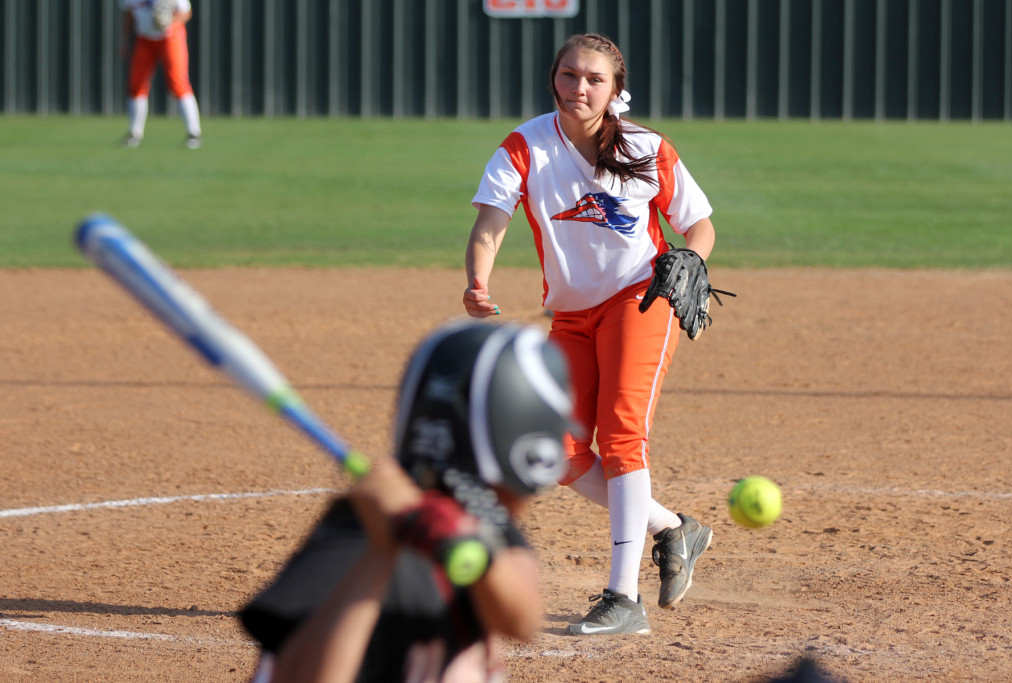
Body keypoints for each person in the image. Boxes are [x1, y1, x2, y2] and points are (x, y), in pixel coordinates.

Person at [463, 33, 718, 636]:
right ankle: (672, 528)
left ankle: (622, 599)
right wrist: (477, 280)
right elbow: (490, 224)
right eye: (570, 75)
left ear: (616, 89)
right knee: (557, 447)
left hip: (641, 298)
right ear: (554, 78)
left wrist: (693, 261)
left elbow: (699, 224)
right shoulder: (524, 146)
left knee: (623, 435)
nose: (580, 88)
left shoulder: (646, 147)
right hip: (573, 314)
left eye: (595, 79)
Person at [240, 321, 575, 682]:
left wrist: (469, 547)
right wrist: (382, 551)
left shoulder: (477, 515)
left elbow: (522, 621)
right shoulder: (356, 535)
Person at [119, 0, 202, 149]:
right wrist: (124, 40)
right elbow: (128, 14)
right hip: (144, 38)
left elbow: (186, 12)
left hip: (170, 36)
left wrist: (170, 20)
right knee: (136, 84)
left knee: (177, 82)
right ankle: (134, 133)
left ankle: (193, 133)